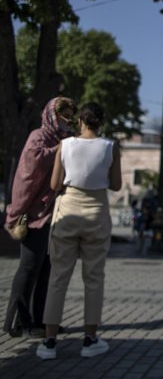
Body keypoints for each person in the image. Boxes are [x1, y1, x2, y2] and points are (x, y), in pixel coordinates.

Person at [38, 102, 121, 360]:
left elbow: (54, 184)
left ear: (80, 121)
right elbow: (117, 185)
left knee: (58, 276)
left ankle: (49, 341)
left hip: (68, 209)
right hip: (96, 211)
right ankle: (90, 339)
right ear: (101, 122)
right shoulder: (110, 147)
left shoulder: (66, 145)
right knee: (94, 277)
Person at [3, 97, 77, 339]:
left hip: (55, 215)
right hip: (34, 215)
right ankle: (15, 321)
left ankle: (41, 321)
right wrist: (15, 212)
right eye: (64, 116)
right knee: (29, 266)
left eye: (70, 116)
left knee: (46, 269)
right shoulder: (39, 136)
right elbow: (28, 173)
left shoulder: (62, 140)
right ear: (53, 115)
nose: (68, 121)